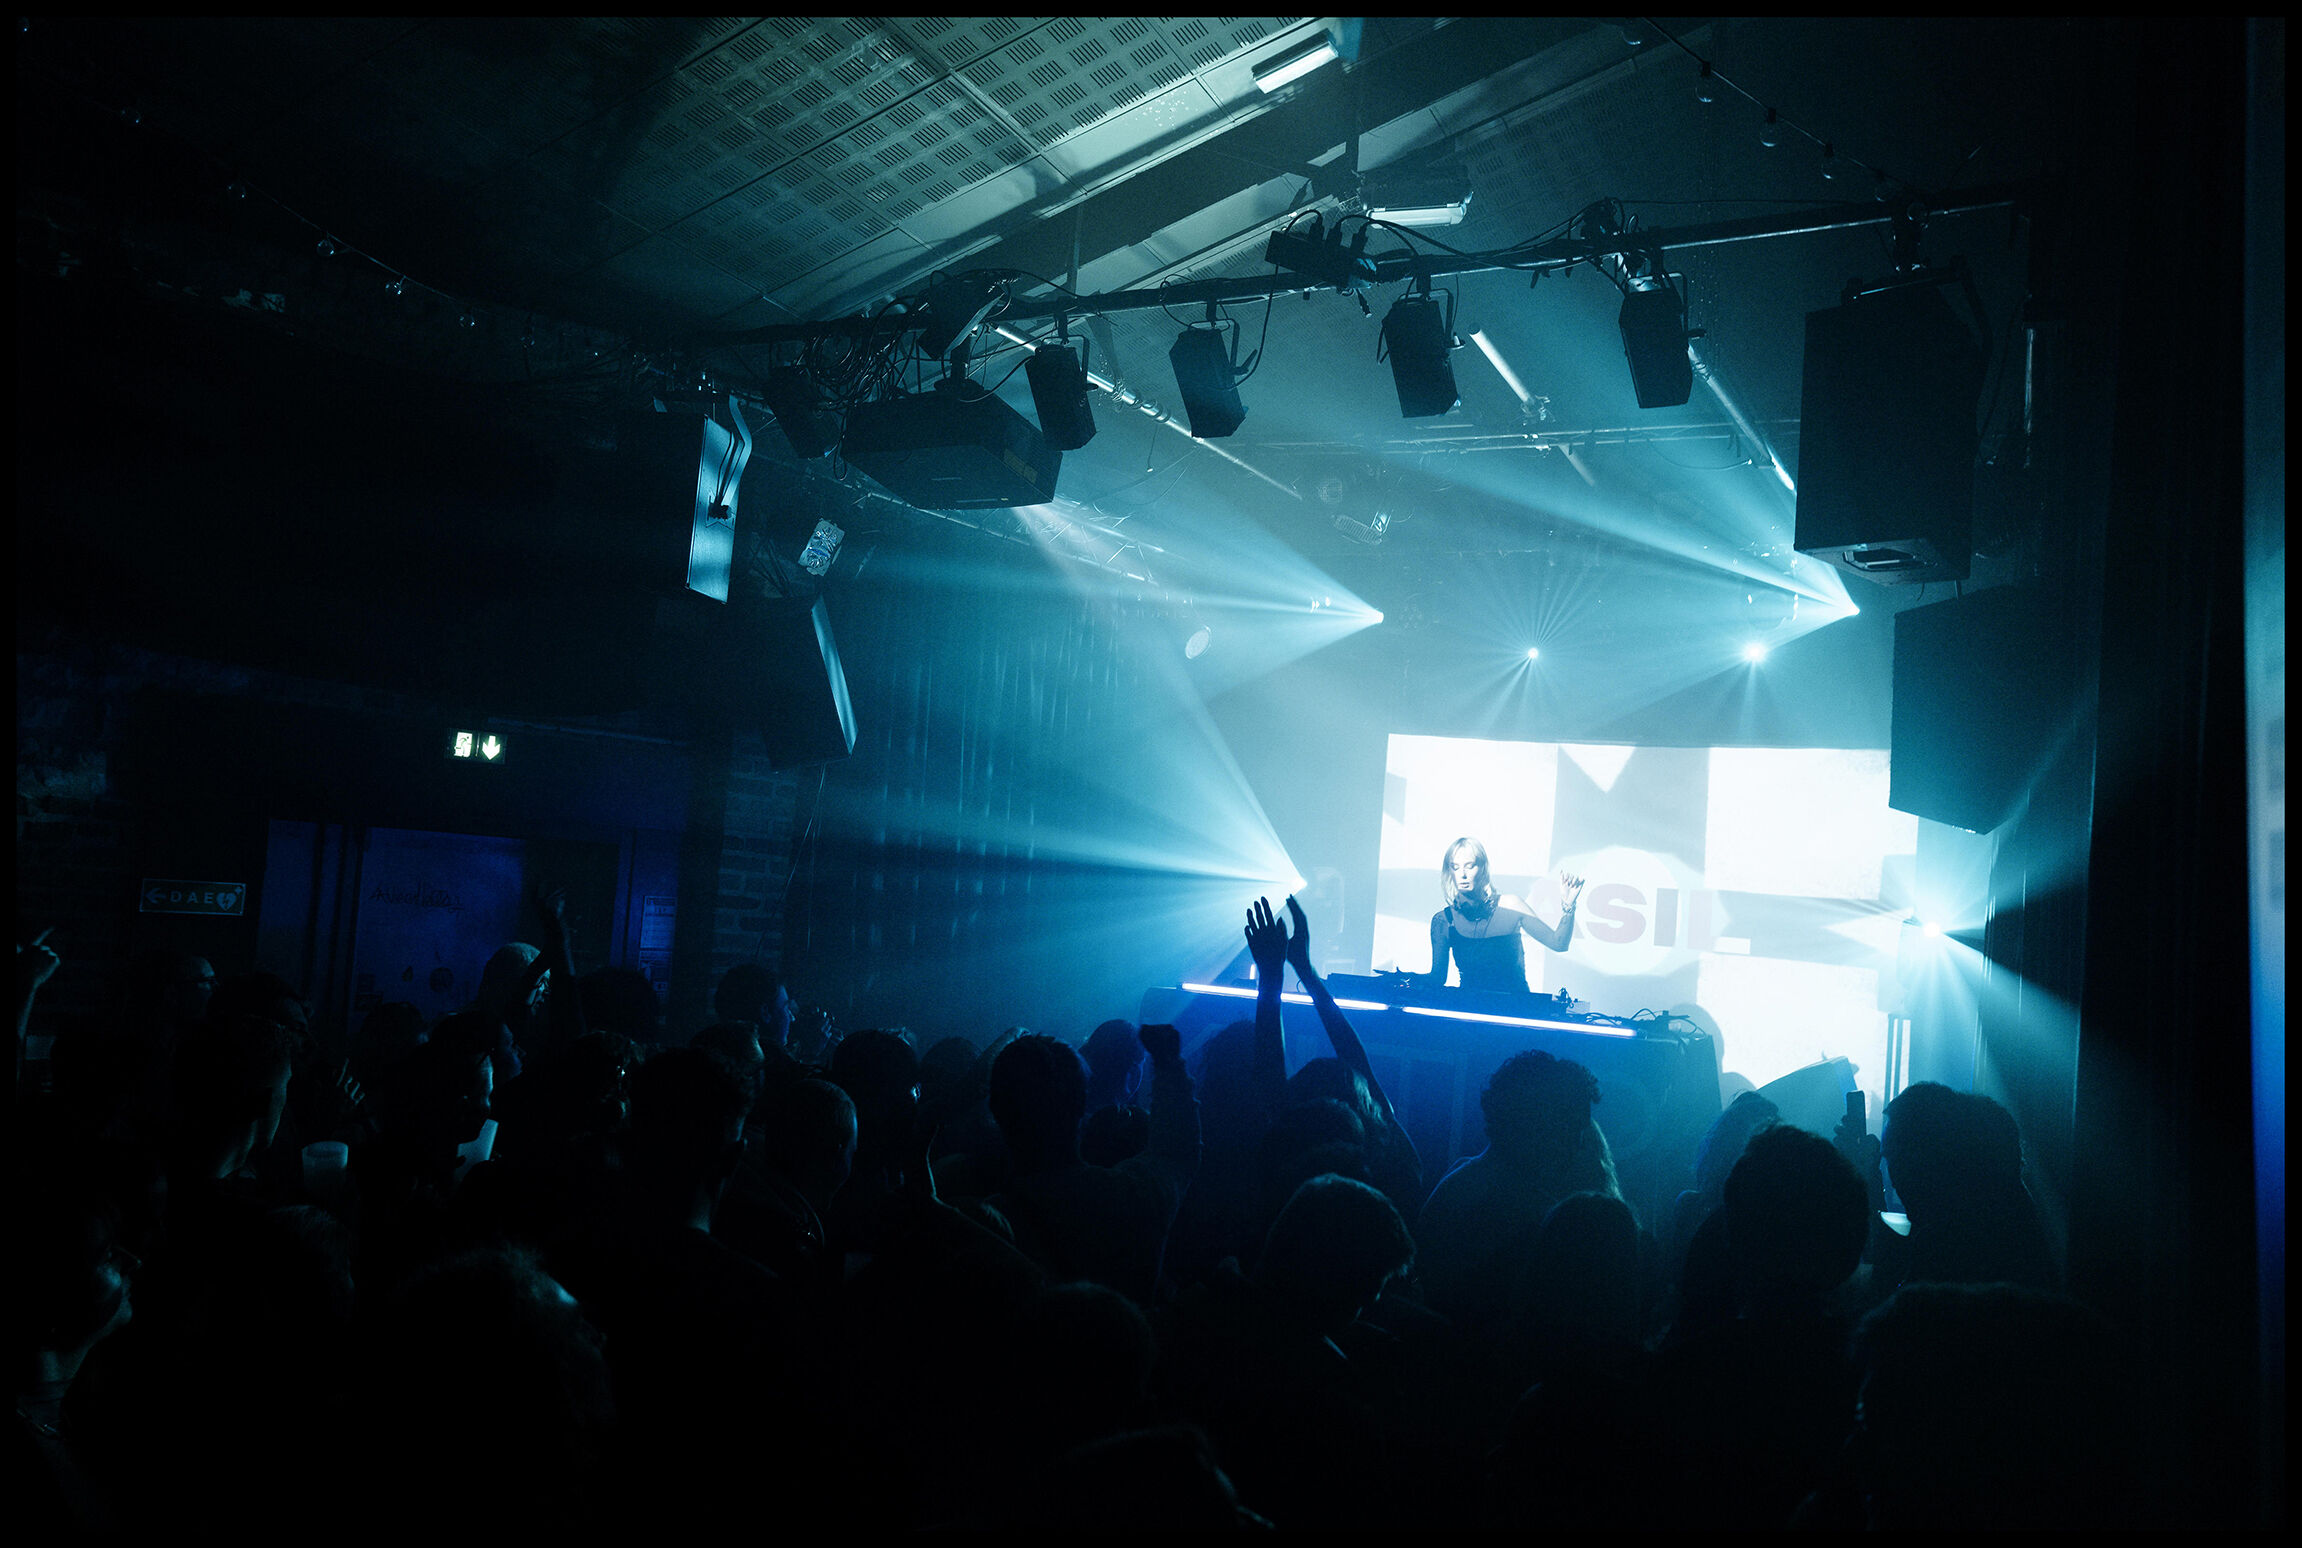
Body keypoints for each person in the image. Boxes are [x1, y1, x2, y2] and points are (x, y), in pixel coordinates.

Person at [1424, 837, 1584, 992]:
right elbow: (1437, 978)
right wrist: (1410, 979)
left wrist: (1568, 906)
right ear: (1449, 871)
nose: (1463, 874)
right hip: (1470, 1006)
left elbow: (1559, 943)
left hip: (1515, 1006)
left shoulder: (1512, 905)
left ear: (1483, 868)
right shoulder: (1443, 921)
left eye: (1470, 866)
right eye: (1455, 867)